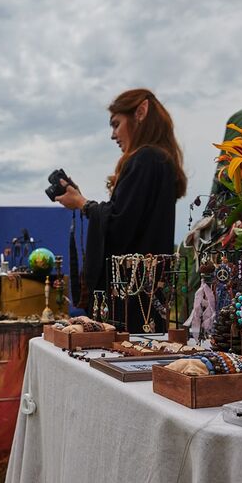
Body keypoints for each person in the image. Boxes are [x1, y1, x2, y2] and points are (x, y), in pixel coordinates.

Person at [54, 88, 187, 330]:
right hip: (148, 295)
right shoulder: (160, 161)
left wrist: (82, 203)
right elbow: (127, 217)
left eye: (116, 124)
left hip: (131, 299)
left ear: (141, 112)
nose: (113, 135)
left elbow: (118, 225)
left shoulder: (145, 159)